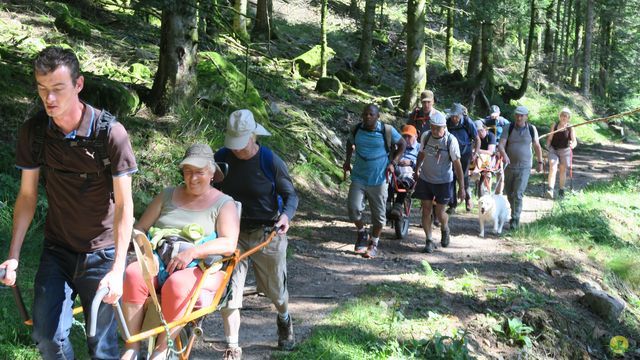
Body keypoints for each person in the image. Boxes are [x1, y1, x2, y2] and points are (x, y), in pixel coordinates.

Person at [0, 46, 137, 359]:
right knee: (47, 339)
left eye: (58, 89)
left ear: (78, 85)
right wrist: (14, 256)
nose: (49, 99)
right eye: (42, 89)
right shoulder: (34, 132)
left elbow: (125, 206)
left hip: (102, 253)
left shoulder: (110, 134)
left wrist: (118, 269)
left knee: (102, 347)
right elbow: (27, 195)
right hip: (57, 252)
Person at [120, 144, 239, 360]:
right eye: (188, 171)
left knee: (177, 284)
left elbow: (229, 244)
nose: (193, 178)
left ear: (212, 173)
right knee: (133, 273)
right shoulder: (167, 195)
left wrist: (193, 252)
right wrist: (140, 244)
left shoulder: (224, 203)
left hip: (200, 266)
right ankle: (132, 345)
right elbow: (141, 229)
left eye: (199, 172)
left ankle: (162, 349)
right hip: (160, 257)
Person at [214, 109, 299, 360]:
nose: (237, 149)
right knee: (229, 291)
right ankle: (233, 345)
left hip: (267, 232)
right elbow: (210, 191)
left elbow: (291, 195)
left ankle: (284, 320)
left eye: (241, 143)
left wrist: (286, 217)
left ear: (253, 136)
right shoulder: (221, 158)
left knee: (276, 291)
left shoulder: (270, 161)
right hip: (233, 233)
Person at [343, 104, 405, 259]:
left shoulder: (386, 130)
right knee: (353, 208)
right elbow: (349, 143)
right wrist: (347, 160)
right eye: (365, 114)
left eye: (371, 114)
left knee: (378, 216)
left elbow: (402, 144)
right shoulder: (357, 129)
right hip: (359, 177)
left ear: (378, 116)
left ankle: (374, 243)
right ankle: (362, 233)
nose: (367, 117)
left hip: (379, 179)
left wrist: (393, 163)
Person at [413, 112, 465, 253]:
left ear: (444, 127)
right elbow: (421, 153)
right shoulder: (426, 136)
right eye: (433, 127)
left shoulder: (450, 141)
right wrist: (417, 169)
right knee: (426, 210)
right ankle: (429, 240)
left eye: (438, 128)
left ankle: (445, 227)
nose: (435, 131)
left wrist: (462, 187)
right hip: (426, 178)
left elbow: (457, 165)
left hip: (443, 181)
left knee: (440, 212)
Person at [498, 106, 543, 229]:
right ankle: (514, 212)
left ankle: (515, 219)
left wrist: (540, 162)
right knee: (509, 193)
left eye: (522, 115)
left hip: (524, 166)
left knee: (518, 193)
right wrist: (505, 155)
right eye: (517, 115)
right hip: (509, 166)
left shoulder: (532, 129)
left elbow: (537, 146)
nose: (519, 117)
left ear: (526, 116)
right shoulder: (509, 128)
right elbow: (501, 145)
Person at [446, 103, 480, 211]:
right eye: (452, 115)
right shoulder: (447, 123)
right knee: (451, 176)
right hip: (451, 153)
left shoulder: (467, 122)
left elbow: (477, 139)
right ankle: (452, 204)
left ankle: (468, 198)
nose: (454, 118)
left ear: (460, 115)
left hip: (465, 153)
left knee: (464, 176)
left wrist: (475, 153)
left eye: (456, 116)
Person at [389, 124, 420, 219]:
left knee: (406, 176)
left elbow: (424, 162)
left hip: (411, 171)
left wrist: (410, 162)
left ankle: (398, 205)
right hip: (396, 169)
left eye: (409, 136)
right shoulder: (398, 145)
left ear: (416, 136)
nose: (406, 138)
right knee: (388, 176)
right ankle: (386, 204)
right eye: (404, 136)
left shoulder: (420, 147)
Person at [546, 108, 577, 199]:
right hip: (553, 149)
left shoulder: (570, 128)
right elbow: (549, 139)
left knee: (563, 170)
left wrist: (572, 145)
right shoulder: (554, 126)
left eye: (566, 116)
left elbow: (574, 141)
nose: (564, 117)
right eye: (563, 115)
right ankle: (550, 189)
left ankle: (561, 190)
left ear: (569, 118)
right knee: (553, 165)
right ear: (560, 116)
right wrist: (547, 147)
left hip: (565, 150)